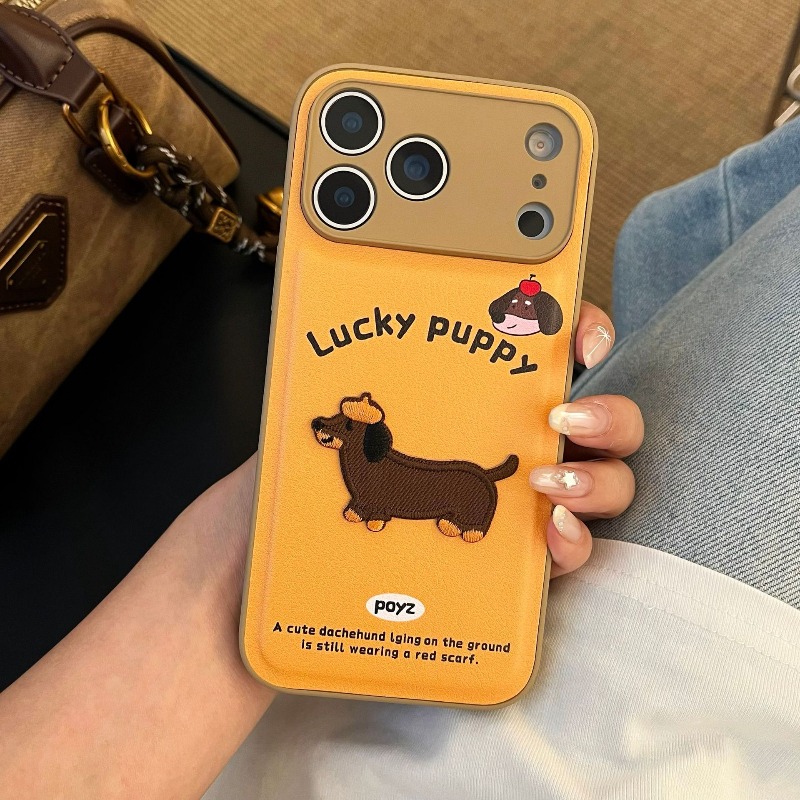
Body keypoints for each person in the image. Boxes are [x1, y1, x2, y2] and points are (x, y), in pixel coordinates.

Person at [1, 117, 799, 799]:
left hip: (274, 725)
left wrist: (259, 540)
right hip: (614, 737)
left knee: (684, 293)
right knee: (730, 256)